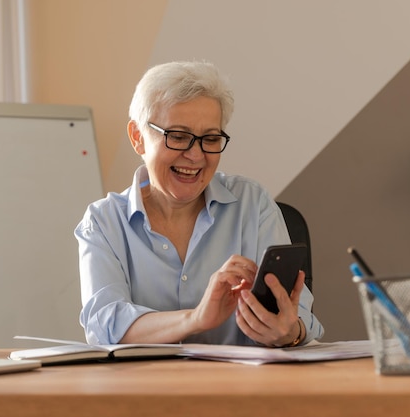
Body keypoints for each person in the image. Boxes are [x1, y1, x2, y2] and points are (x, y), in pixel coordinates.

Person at [75, 61, 324, 346]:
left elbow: (303, 319)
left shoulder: (253, 205)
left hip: (242, 389)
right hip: (147, 390)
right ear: (137, 138)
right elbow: (105, 325)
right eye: (178, 137)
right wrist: (195, 318)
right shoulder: (103, 223)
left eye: (210, 138)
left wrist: (289, 332)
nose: (195, 156)